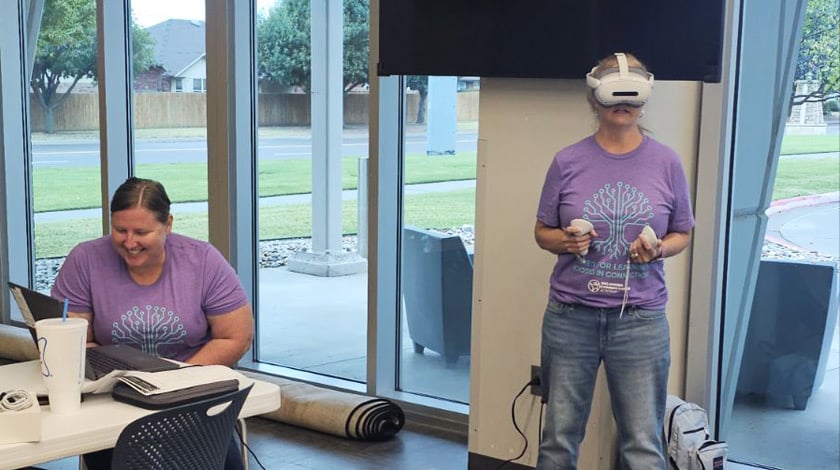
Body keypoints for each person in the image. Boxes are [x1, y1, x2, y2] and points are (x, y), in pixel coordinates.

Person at [533, 52, 695, 469]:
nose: (623, 102)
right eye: (613, 92)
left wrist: (658, 248)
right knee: (558, 439)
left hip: (639, 321)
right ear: (594, 96)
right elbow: (542, 232)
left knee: (642, 445)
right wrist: (565, 242)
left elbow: (682, 233)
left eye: (633, 93)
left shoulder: (667, 161)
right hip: (571, 318)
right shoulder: (567, 161)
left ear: (645, 95)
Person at [52, 177, 254, 470]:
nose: (130, 242)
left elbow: (235, 338)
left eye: (141, 232)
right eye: (120, 230)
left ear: (168, 225)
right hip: (113, 396)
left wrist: (174, 384)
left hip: (191, 397)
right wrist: (125, 382)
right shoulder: (86, 259)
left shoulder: (203, 261)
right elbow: (72, 340)